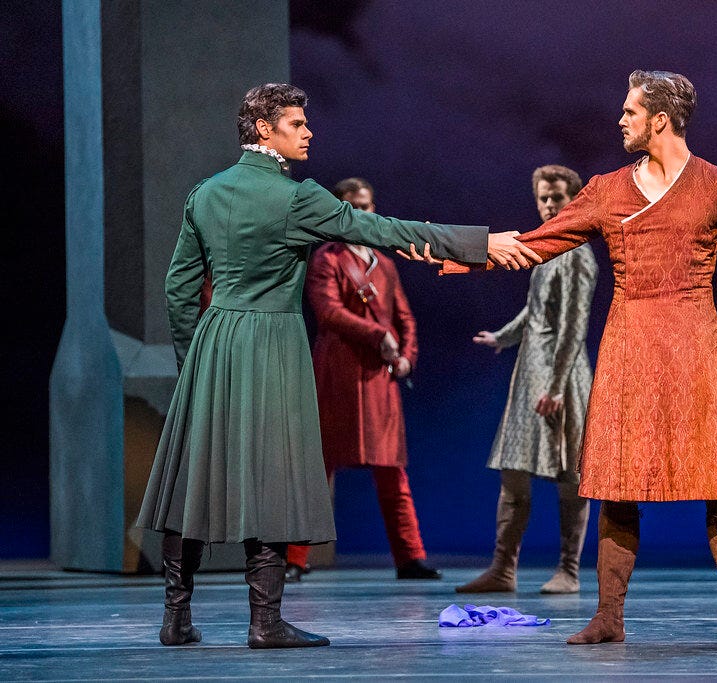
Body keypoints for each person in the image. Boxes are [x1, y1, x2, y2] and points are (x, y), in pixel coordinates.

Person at [136, 83, 538, 649]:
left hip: (212, 342)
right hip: (270, 344)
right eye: (296, 123)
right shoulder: (297, 198)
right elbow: (386, 230)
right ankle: (264, 622)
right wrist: (476, 243)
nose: (309, 132)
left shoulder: (204, 194)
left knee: (193, 478)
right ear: (263, 129)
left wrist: (193, 361)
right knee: (271, 477)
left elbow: (179, 290)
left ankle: (175, 619)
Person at [435, 70, 717, 645]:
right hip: (630, 347)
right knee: (619, 485)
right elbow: (538, 243)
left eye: (630, 112)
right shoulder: (606, 190)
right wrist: (453, 250)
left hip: (697, 348)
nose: (620, 120)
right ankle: (608, 618)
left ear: (660, 120)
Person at [284, 177, 441, 583]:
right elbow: (328, 312)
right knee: (318, 467)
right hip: (338, 375)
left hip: (378, 379)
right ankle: (294, 558)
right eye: (352, 206)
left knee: (392, 470)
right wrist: (379, 335)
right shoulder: (327, 259)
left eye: (366, 206)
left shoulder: (384, 264)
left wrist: (407, 357)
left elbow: (404, 317)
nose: (361, 213)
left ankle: (410, 557)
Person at [456, 165, 597, 595]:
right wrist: (502, 337)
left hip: (560, 376)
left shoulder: (576, 253)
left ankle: (569, 570)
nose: (550, 205)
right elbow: (536, 312)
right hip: (530, 374)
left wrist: (556, 386)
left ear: (573, 200)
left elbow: (573, 325)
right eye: (543, 198)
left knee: (569, 472)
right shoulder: (549, 250)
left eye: (557, 197)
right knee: (514, 469)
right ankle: (503, 569)